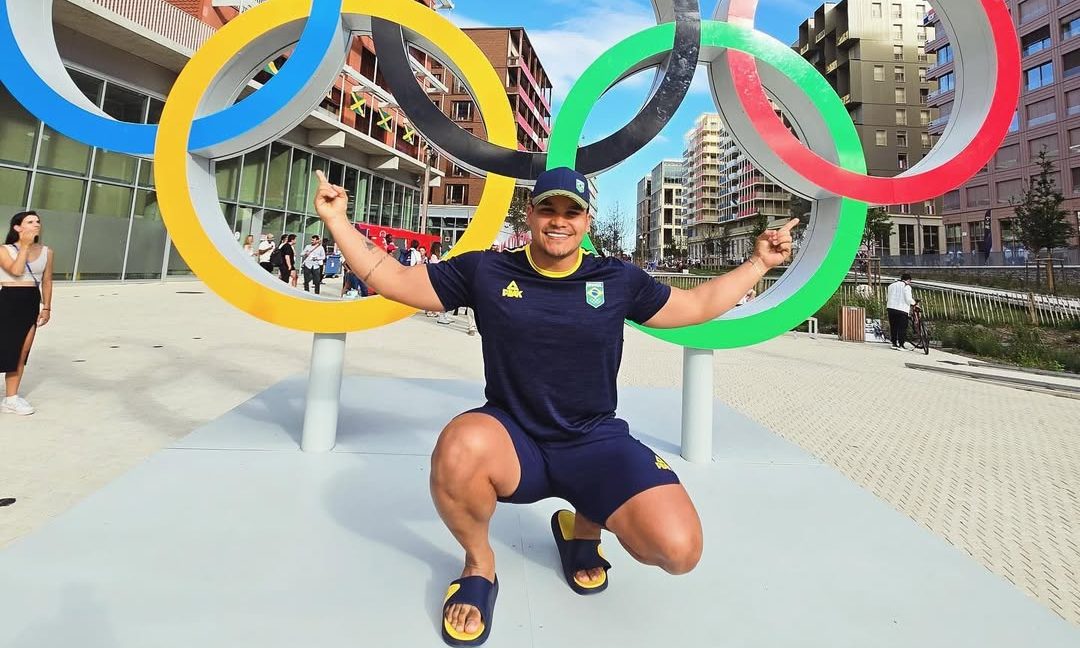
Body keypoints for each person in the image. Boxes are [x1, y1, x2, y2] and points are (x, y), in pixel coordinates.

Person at [313, 167, 796, 647]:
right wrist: (337, 222)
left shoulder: (617, 279)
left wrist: (759, 264)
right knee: (459, 449)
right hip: (513, 437)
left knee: (679, 550)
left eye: (572, 211)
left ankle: (580, 527)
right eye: (549, 208)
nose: (559, 220)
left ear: (587, 221)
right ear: (530, 214)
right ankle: (480, 566)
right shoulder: (487, 270)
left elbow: (693, 305)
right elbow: (395, 278)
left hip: (593, 439)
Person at [1, 211, 53, 416]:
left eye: (38, 221)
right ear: (17, 227)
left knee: (21, 352)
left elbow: (47, 281)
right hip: (7, 300)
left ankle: (11, 399)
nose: (36, 224)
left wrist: (47, 307)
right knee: (3, 347)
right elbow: (15, 270)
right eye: (30, 222)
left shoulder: (47, 251)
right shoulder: (4, 250)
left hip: (30, 301)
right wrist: (24, 245)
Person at [887, 273, 916, 350]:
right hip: (901, 309)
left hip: (891, 308)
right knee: (902, 328)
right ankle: (901, 345)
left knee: (893, 326)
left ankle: (894, 343)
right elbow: (908, 299)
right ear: (908, 280)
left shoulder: (891, 286)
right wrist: (914, 303)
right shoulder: (907, 286)